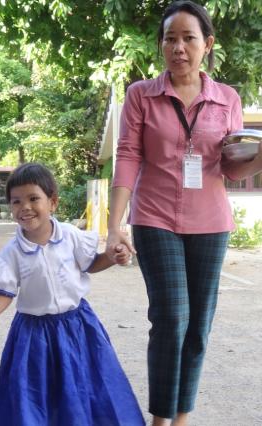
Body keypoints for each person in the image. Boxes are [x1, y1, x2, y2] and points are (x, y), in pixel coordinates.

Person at [105, 2, 262, 425]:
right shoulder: (141, 95)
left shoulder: (227, 98)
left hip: (211, 223)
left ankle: (181, 417)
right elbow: (128, 157)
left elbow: (231, 166)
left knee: (198, 327)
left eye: (189, 38)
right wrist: (114, 225)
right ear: (161, 45)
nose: (178, 47)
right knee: (172, 318)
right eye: (170, 38)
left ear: (207, 44)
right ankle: (160, 418)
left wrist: (259, 157)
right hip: (155, 218)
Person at [0, 163, 144, 426]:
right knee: (35, 396)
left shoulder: (70, 236)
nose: (25, 207)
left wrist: (112, 257)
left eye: (34, 198)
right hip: (33, 336)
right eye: (16, 201)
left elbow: (91, 263)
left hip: (78, 327)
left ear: (53, 202)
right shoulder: (12, 253)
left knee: (89, 387)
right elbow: (5, 293)